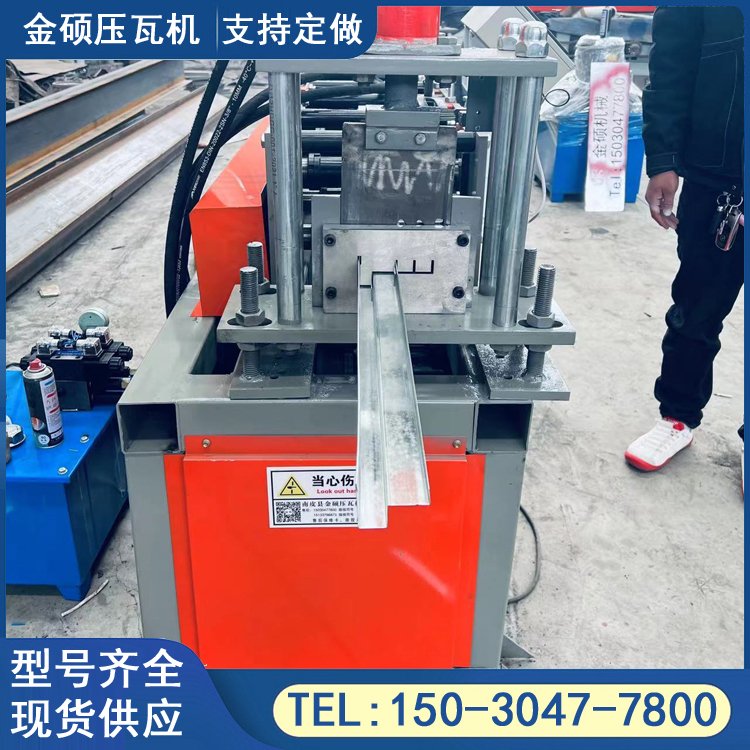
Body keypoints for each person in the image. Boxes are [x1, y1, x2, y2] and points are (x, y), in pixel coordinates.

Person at [625, 7, 744, 472]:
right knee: (695, 310)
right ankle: (676, 416)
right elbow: (671, 67)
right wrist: (663, 159)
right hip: (720, 177)